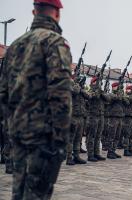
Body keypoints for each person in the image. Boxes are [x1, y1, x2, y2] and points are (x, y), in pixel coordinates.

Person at [0, 0, 72, 199]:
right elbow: (60, 95)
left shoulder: (14, 47)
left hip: (18, 134)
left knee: (19, 192)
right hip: (43, 137)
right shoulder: (55, 42)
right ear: (57, 13)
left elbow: (4, 95)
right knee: (37, 194)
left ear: (34, 12)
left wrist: (11, 129)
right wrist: (60, 140)